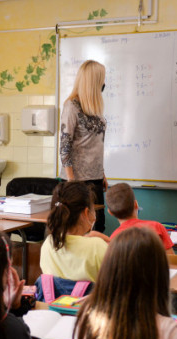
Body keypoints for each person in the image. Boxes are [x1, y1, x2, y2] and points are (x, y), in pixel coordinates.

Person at [60, 59, 109, 233]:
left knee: (98, 227)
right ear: (93, 81)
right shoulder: (72, 106)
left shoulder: (94, 107)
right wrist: (72, 182)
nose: (104, 83)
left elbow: (94, 143)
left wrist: (101, 173)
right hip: (77, 180)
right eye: (102, 79)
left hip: (94, 178)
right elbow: (64, 147)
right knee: (79, 230)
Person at [39, 181, 109, 283]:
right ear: (85, 213)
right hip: (92, 299)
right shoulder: (97, 246)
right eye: (93, 209)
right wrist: (113, 247)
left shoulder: (48, 244)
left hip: (54, 299)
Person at [106, 183, 174, 252]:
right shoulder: (157, 227)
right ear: (136, 204)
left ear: (110, 212)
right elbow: (172, 260)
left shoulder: (113, 239)